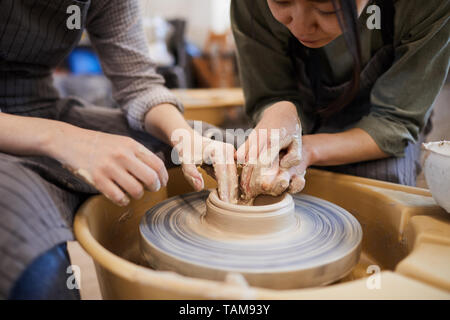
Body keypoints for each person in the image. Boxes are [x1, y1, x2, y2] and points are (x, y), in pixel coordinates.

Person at [0, 0, 237, 299]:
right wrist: (63, 140)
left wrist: (186, 137)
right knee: (35, 262)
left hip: (41, 105)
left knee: (221, 144)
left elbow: (138, 84)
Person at [231, 0, 449, 199]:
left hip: (380, 125)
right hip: (304, 111)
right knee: (235, 161)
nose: (301, 27)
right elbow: (270, 92)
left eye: (326, 10)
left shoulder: (425, 5)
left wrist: (308, 150)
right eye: (281, 1)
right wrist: (279, 115)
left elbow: (395, 121)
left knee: (381, 191)